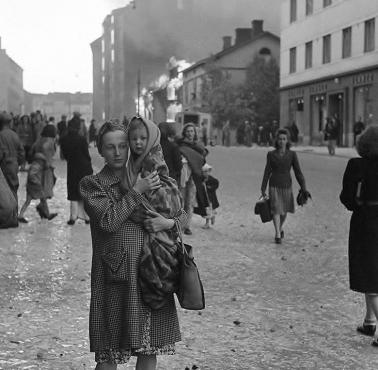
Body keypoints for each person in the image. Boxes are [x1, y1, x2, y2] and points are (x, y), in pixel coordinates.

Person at [79, 120, 187, 369]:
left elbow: (181, 213)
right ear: (100, 149)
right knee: (109, 354)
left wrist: (166, 223)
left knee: (148, 351)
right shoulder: (93, 184)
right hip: (115, 279)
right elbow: (108, 221)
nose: (117, 153)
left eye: (122, 145)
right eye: (110, 147)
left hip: (151, 273)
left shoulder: (150, 174)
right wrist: (136, 191)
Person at [340, 125, 378, 347]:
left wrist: (356, 204)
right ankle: (369, 320)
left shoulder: (356, 165)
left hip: (365, 223)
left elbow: (347, 198)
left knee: (367, 272)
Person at [261, 128, 307, 244]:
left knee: (284, 211)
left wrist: (303, 187)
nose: (282, 141)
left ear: (287, 141)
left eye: (284, 139)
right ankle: (277, 233)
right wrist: (263, 187)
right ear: (277, 140)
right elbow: (267, 171)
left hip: (286, 185)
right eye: (280, 139)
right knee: (276, 209)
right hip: (274, 185)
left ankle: (280, 227)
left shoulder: (292, 155)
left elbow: (298, 172)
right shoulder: (271, 154)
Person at [18, 125, 58, 222]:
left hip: (37, 170)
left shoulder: (38, 140)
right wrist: (46, 162)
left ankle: (45, 213)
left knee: (38, 196)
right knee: (43, 192)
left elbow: (31, 152)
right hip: (43, 170)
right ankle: (43, 212)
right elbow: (49, 155)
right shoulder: (50, 142)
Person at [177, 123, 208, 235]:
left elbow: (202, 159)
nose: (190, 133)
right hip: (183, 175)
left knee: (190, 201)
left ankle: (187, 226)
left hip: (194, 176)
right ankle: (179, 224)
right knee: (181, 200)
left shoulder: (199, 146)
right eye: (188, 131)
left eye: (192, 131)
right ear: (184, 132)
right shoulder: (180, 144)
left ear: (195, 133)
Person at [60, 118, 93, 225]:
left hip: (72, 167)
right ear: (78, 128)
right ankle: (87, 217)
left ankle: (73, 217)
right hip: (84, 167)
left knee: (73, 191)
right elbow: (86, 154)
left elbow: (64, 155)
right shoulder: (82, 139)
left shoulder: (64, 139)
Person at [0, 112, 25, 202]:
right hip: (14, 166)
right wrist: (18, 163)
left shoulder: (1, 135)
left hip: (4, 166)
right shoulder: (15, 135)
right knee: (13, 190)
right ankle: (14, 213)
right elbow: (22, 153)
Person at [200, 163, 219, 229]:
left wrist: (210, 188)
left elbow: (216, 184)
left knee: (212, 210)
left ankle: (213, 217)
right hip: (205, 199)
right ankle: (207, 223)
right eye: (204, 172)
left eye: (207, 171)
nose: (205, 173)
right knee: (207, 212)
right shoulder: (201, 180)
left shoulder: (212, 179)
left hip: (211, 199)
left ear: (209, 172)